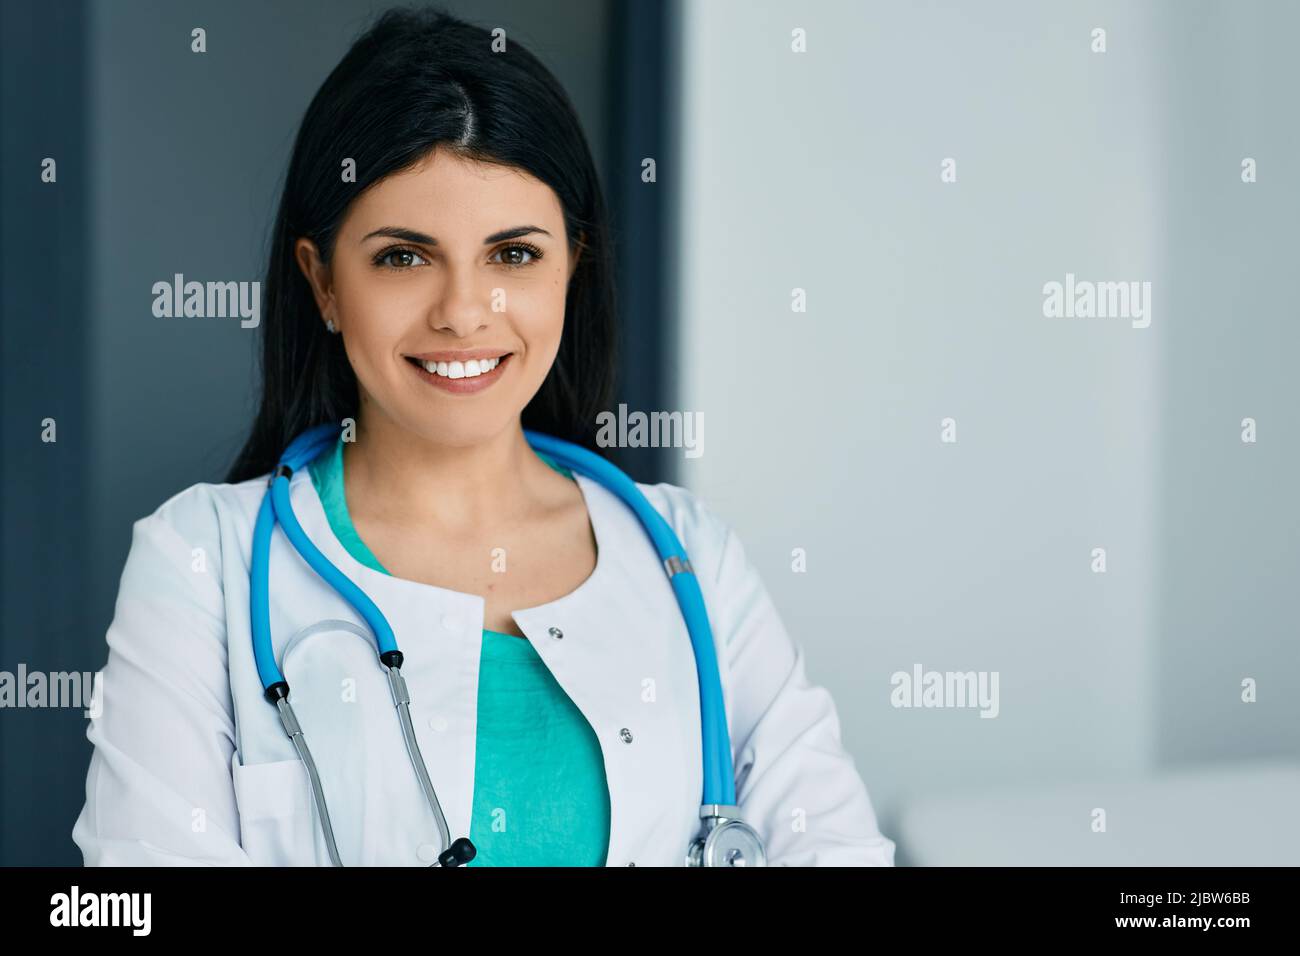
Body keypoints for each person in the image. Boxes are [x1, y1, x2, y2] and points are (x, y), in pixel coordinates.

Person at [71, 6, 894, 867]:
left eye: (514, 255)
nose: (465, 312)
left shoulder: (692, 561)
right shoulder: (201, 565)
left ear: (573, 265)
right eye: (402, 257)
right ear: (322, 282)